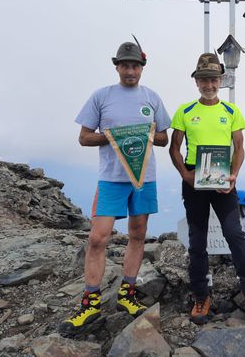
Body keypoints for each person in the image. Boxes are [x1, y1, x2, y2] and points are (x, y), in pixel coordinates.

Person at [59, 38, 171, 335]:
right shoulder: (102, 96)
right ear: (117, 67)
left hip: (144, 177)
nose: (130, 70)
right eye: (125, 65)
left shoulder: (152, 98)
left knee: (138, 235)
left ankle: (127, 295)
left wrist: (142, 135)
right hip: (110, 178)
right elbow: (84, 137)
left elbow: (163, 138)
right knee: (98, 237)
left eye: (135, 65)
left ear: (142, 68)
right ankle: (90, 303)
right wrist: (113, 137)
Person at [169, 53, 245, 325]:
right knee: (197, 241)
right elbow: (174, 148)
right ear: (197, 82)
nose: (209, 84)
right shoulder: (185, 111)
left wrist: (234, 175)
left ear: (220, 80)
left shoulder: (231, 112)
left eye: (213, 79)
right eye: (203, 80)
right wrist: (186, 175)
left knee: (235, 235)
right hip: (194, 183)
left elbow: (240, 147)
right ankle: (201, 296)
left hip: (223, 183)